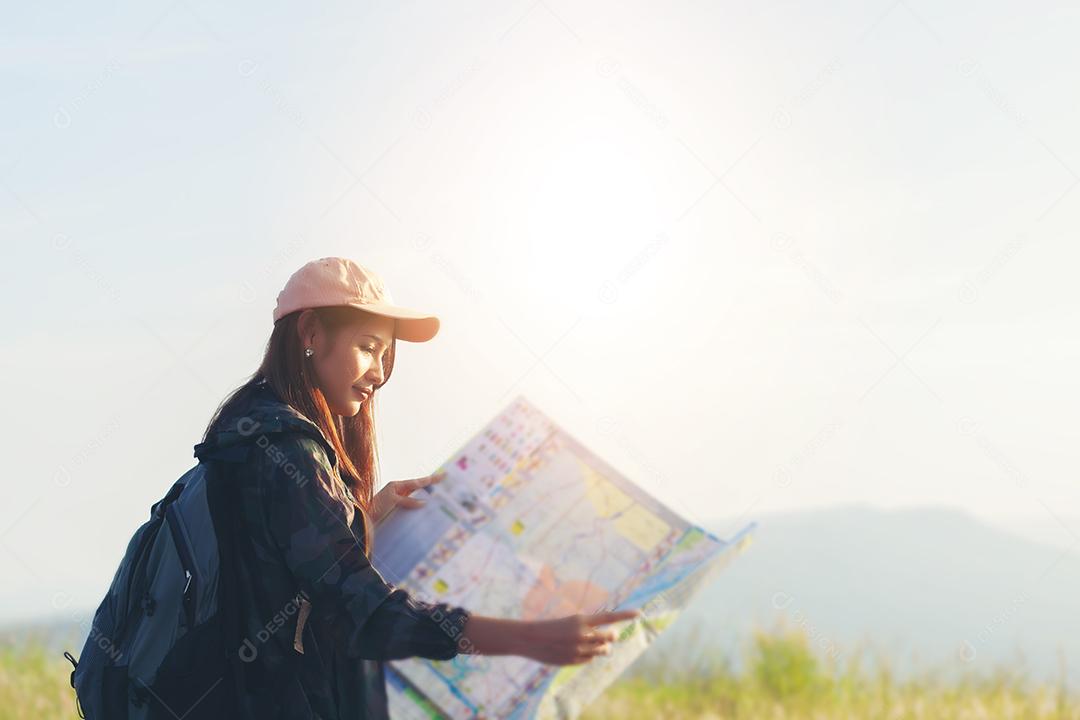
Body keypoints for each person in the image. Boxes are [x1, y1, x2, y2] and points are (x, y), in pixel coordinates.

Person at [196, 257, 639, 719]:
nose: (379, 373)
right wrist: (526, 637)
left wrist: (363, 515)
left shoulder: (246, 429)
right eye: (368, 348)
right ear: (310, 334)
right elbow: (362, 610)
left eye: (386, 356)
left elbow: (273, 564)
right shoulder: (287, 447)